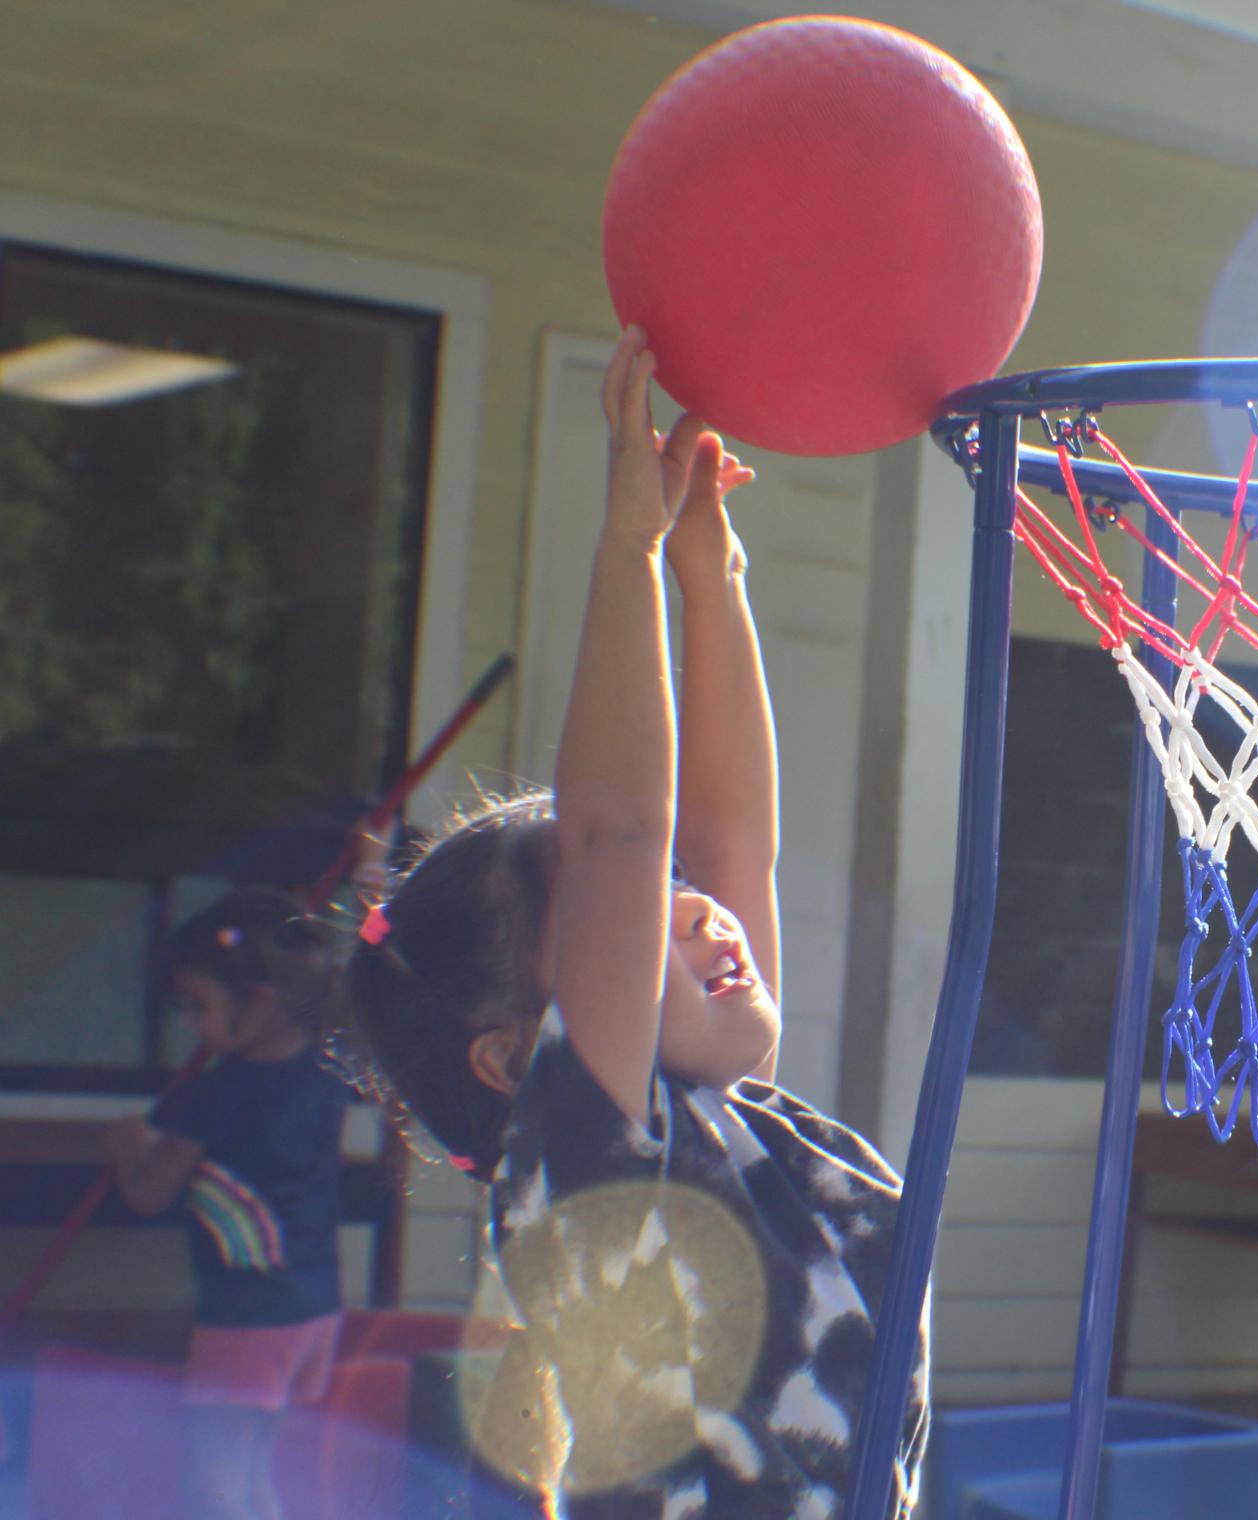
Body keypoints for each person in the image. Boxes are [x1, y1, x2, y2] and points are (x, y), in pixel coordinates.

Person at [340, 328, 926, 1518]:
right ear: (518, 1052)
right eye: (630, 912)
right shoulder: (597, 1175)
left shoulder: (730, 1128)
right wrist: (630, 546)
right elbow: (622, 831)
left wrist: (716, 576)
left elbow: (729, 842)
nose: (696, 897)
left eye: (674, 890)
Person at [106, 888, 354, 1520]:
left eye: (199, 1006)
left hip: (246, 1317)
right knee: (252, 1475)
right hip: (314, 1309)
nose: (191, 1023)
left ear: (262, 1004)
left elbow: (147, 1193)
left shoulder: (211, 1097)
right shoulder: (324, 1077)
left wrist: (127, 1145)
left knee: (214, 1482)